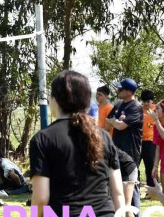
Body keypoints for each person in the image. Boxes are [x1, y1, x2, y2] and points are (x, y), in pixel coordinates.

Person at [31, 71, 124, 217]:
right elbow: (117, 192)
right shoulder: (104, 136)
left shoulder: (43, 139)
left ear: (55, 99)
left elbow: (41, 199)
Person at [106, 78, 143, 212]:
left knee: (132, 186)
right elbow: (107, 123)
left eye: (120, 89)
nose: (118, 90)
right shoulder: (118, 104)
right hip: (117, 150)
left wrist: (116, 122)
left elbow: (121, 126)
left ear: (129, 92)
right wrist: (117, 121)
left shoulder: (135, 107)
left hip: (131, 152)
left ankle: (135, 213)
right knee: (117, 185)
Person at [140, 89, 156, 187]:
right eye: (144, 101)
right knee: (134, 165)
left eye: (148, 101)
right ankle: (135, 189)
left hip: (151, 142)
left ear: (152, 100)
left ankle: (152, 189)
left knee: (150, 167)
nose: (145, 103)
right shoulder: (138, 109)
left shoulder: (157, 109)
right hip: (139, 142)